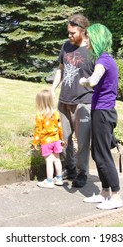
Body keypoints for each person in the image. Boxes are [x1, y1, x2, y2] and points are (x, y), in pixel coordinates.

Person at [79, 23, 123, 209]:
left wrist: (84, 81)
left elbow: (93, 80)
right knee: (97, 153)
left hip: (104, 113)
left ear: (96, 38)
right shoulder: (104, 59)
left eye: (88, 36)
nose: (86, 39)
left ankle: (116, 196)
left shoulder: (103, 60)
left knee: (103, 155)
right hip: (101, 111)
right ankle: (104, 192)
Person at [51, 14, 94, 187]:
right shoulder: (66, 46)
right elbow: (61, 69)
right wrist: (52, 89)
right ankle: (70, 168)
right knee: (65, 138)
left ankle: (82, 172)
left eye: (73, 32)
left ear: (83, 31)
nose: (69, 36)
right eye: (68, 32)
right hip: (64, 100)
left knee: (83, 140)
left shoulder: (92, 50)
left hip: (83, 102)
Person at [32, 89, 64, 188]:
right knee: (57, 159)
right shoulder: (56, 113)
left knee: (49, 161)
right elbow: (59, 127)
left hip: (46, 141)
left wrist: (35, 142)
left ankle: (49, 181)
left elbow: (38, 130)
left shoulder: (40, 116)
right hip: (56, 140)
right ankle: (59, 178)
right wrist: (61, 139)